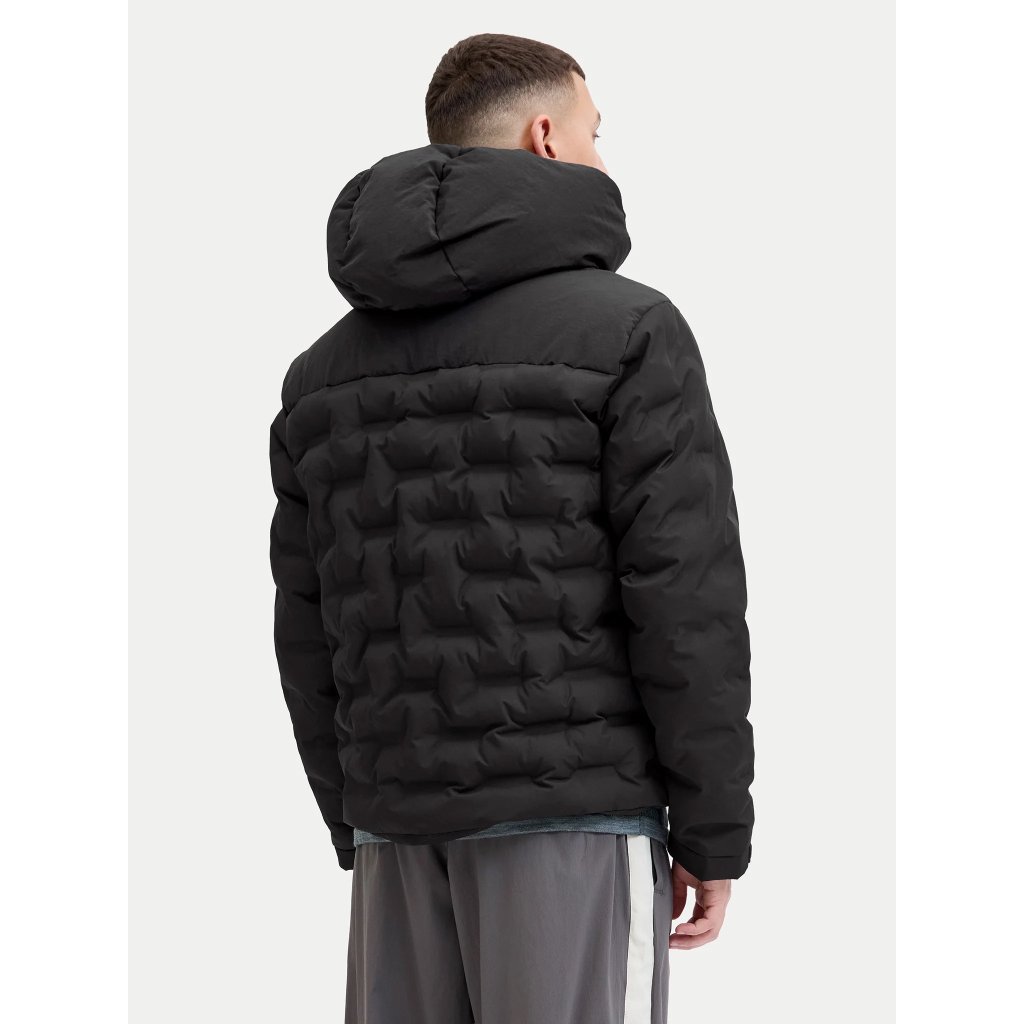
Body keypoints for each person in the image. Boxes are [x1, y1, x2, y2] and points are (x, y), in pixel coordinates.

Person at [269, 31, 755, 1024]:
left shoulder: (319, 376)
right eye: (595, 131)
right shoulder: (628, 332)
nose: (600, 154)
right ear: (545, 137)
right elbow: (683, 598)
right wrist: (713, 829)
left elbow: (306, 627)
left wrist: (355, 818)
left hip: (398, 832)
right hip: (575, 818)